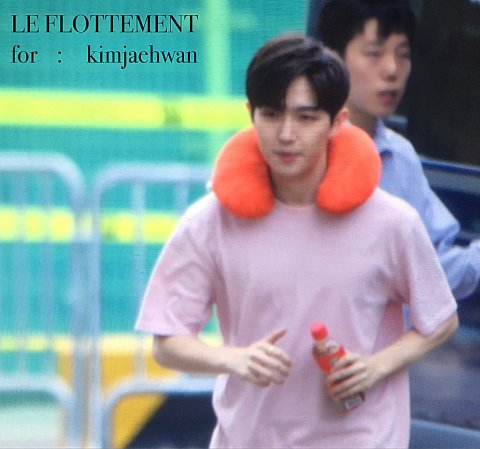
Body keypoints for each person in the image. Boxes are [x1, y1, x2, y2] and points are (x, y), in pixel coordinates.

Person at [135, 34, 458, 448]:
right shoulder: (210, 221)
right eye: (271, 114)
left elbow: (441, 319)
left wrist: (376, 367)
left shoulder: (392, 222)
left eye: (306, 118)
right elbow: (166, 342)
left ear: (337, 122)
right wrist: (233, 359)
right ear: (251, 114)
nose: (286, 134)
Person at [314, 0, 480, 300]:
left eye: (403, 54)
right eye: (374, 53)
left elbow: (433, 269)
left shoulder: (400, 156)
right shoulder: (301, 151)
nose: (392, 70)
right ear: (333, 59)